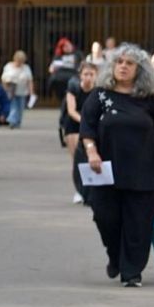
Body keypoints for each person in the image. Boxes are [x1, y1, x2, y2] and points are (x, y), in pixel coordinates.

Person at [80, 44, 154, 288]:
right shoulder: (100, 95)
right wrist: (92, 152)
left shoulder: (149, 99)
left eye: (129, 63)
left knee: (139, 223)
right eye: (119, 62)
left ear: (139, 69)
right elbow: (87, 127)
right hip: (106, 170)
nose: (123, 66)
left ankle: (131, 272)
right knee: (105, 218)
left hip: (145, 170)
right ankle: (115, 256)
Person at [64, 62, 98, 204]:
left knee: (90, 159)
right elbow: (71, 111)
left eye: (91, 74)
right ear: (80, 76)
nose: (88, 77)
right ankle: (78, 190)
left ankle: (91, 189)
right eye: (85, 74)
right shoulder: (73, 88)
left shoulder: (98, 91)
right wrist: (85, 121)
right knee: (77, 160)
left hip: (92, 126)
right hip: (74, 126)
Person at [0, 50, 34, 128]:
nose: (20, 63)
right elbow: (3, 78)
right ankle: (12, 121)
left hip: (22, 91)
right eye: (19, 61)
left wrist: (31, 91)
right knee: (13, 107)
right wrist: (4, 89)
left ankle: (18, 122)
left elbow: (30, 80)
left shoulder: (26, 68)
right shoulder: (8, 66)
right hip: (11, 90)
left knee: (21, 108)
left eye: (22, 61)